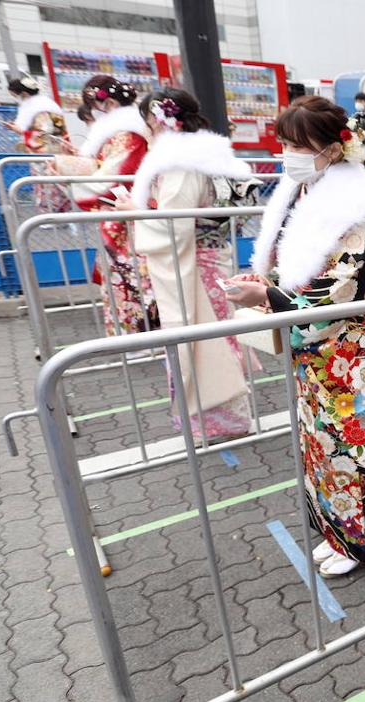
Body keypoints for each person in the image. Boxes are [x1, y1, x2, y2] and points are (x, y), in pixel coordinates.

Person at [230, 96, 365, 577]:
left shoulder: (360, 209)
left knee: (351, 440)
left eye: (297, 144)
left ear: (332, 149)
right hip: (315, 347)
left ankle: (364, 538)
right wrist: (267, 288)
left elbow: (342, 288)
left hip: (345, 348)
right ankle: (339, 529)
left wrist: (268, 299)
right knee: (321, 437)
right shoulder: (311, 190)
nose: (288, 152)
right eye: (285, 143)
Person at [126, 87, 257, 440]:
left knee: (202, 339)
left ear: (158, 119)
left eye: (148, 122)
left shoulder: (180, 162)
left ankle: (216, 423)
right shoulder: (201, 155)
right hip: (209, 259)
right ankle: (220, 420)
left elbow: (174, 224)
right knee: (215, 336)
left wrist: (134, 213)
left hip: (196, 264)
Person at [52, 75, 154, 336]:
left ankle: (139, 338)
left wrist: (71, 176)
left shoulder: (127, 134)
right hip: (126, 211)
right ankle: (143, 335)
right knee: (132, 277)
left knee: (130, 277)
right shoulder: (127, 131)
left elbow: (111, 177)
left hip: (126, 212)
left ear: (108, 104)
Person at [8, 76, 68, 153]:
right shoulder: (48, 102)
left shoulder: (28, 106)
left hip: (41, 145)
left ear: (24, 94)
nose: (16, 98)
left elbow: (21, 128)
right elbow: (59, 125)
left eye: (15, 96)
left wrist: (13, 127)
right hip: (58, 143)